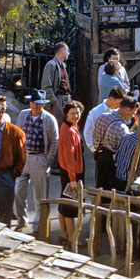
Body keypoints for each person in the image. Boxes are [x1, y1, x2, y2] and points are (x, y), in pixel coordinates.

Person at [14, 89, 59, 235]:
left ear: (43, 105)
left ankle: (38, 227)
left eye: (39, 104)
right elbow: (17, 135)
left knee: (40, 197)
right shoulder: (23, 115)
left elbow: (54, 141)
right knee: (18, 191)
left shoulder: (49, 119)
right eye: (33, 103)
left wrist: (47, 160)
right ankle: (21, 221)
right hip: (24, 157)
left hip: (39, 158)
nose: (35, 106)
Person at [92, 95, 139, 192]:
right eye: (133, 113)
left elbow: (94, 140)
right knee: (110, 192)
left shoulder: (102, 117)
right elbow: (124, 153)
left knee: (100, 188)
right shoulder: (122, 128)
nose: (133, 116)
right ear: (126, 110)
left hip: (99, 157)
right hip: (111, 163)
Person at [58, 100, 85, 246]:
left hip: (67, 171)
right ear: (66, 114)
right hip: (71, 172)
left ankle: (63, 234)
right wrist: (73, 179)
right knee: (70, 206)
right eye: (72, 113)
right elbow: (69, 156)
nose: (76, 116)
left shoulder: (70, 126)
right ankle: (72, 238)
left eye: (77, 113)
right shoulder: (68, 131)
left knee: (63, 202)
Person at [83, 85, 126, 154]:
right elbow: (88, 132)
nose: (119, 105)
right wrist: (95, 150)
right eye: (118, 103)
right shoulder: (96, 112)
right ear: (111, 99)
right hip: (101, 152)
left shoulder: (118, 110)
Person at [41, 41, 71, 124]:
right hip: (58, 99)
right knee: (58, 126)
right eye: (67, 50)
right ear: (62, 51)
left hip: (66, 99)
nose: (69, 53)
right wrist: (55, 102)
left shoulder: (63, 65)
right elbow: (46, 87)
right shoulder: (51, 65)